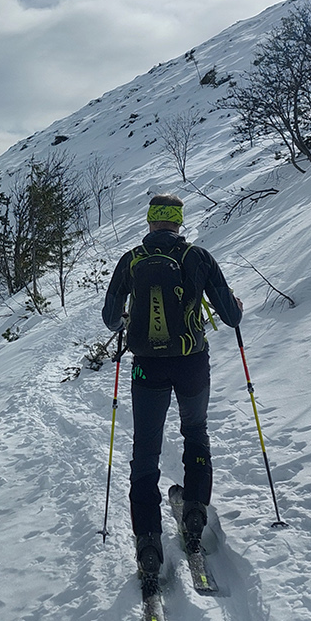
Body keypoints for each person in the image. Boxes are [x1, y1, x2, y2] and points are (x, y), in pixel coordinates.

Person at [100, 193, 242, 595]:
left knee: (145, 451)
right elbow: (230, 317)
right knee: (195, 431)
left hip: (147, 367)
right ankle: (194, 512)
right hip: (192, 362)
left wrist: (126, 318)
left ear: (150, 221)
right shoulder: (198, 257)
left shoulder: (131, 260)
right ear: (179, 222)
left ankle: (148, 542)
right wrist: (235, 305)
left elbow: (110, 319)